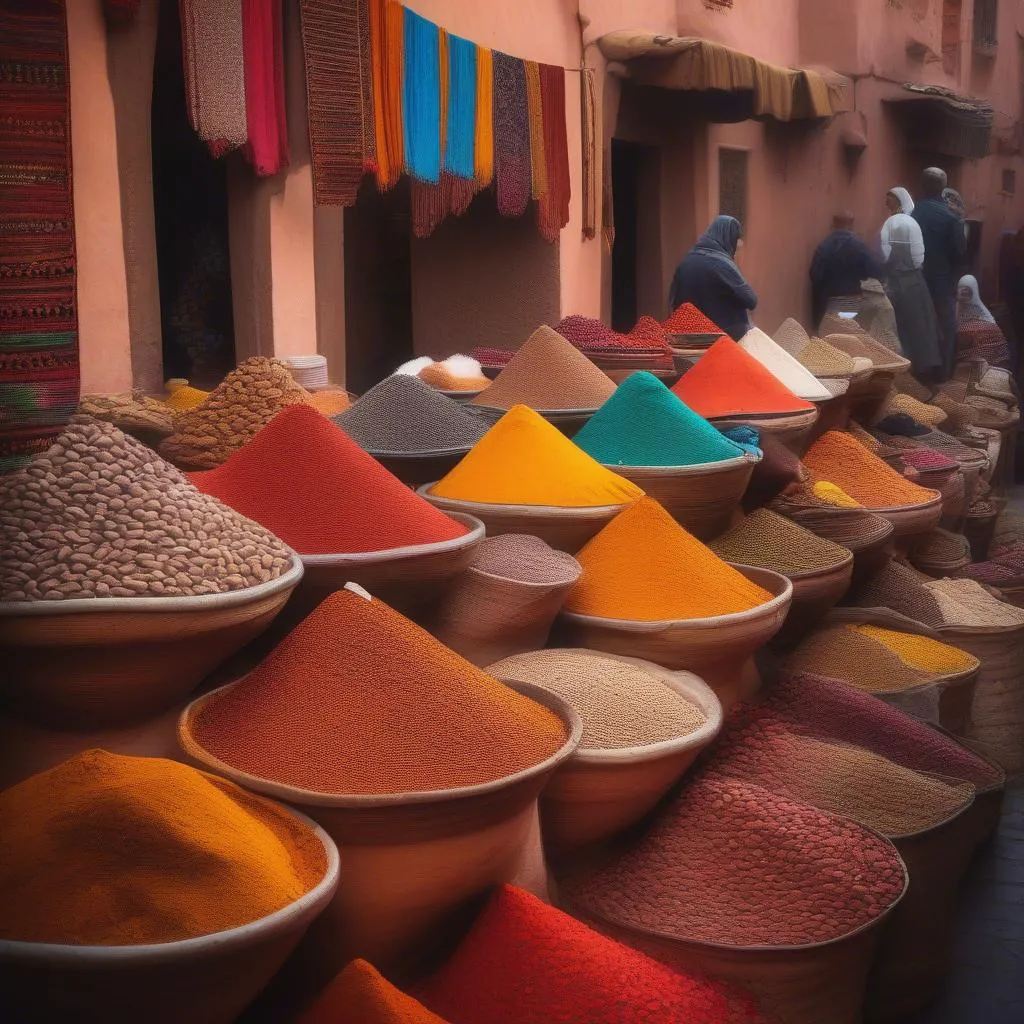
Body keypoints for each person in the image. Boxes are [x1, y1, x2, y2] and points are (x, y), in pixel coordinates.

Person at [881, 186, 942, 382]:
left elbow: (883, 254)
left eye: (888, 199)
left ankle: (905, 372)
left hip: (896, 282)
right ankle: (920, 372)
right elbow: (918, 259)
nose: (885, 203)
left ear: (897, 200)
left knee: (900, 327)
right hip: (915, 283)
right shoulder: (912, 223)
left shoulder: (891, 223)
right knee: (919, 326)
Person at [912, 168, 967, 380]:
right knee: (945, 327)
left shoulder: (913, 213)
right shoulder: (950, 218)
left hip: (915, 281)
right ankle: (943, 377)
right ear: (943, 188)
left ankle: (919, 376)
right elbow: (960, 254)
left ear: (922, 185)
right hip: (942, 283)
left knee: (918, 325)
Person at [668, 215, 757, 341]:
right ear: (728, 238)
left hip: (687, 337)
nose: (737, 245)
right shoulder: (721, 264)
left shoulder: (686, 262)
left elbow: (672, 301)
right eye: (735, 238)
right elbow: (751, 300)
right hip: (722, 338)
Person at [809, 212, 884, 327]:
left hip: (829, 304)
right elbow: (875, 271)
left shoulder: (824, 246)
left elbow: (814, 275)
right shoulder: (860, 246)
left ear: (833, 226)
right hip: (853, 303)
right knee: (851, 338)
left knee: (830, 340)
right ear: (851, 226)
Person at [956, 274, 1011, 367]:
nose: (963, 293)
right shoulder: (989, 321)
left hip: (975, 374)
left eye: (965, 290)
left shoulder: (954, 319)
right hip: (990, 373)